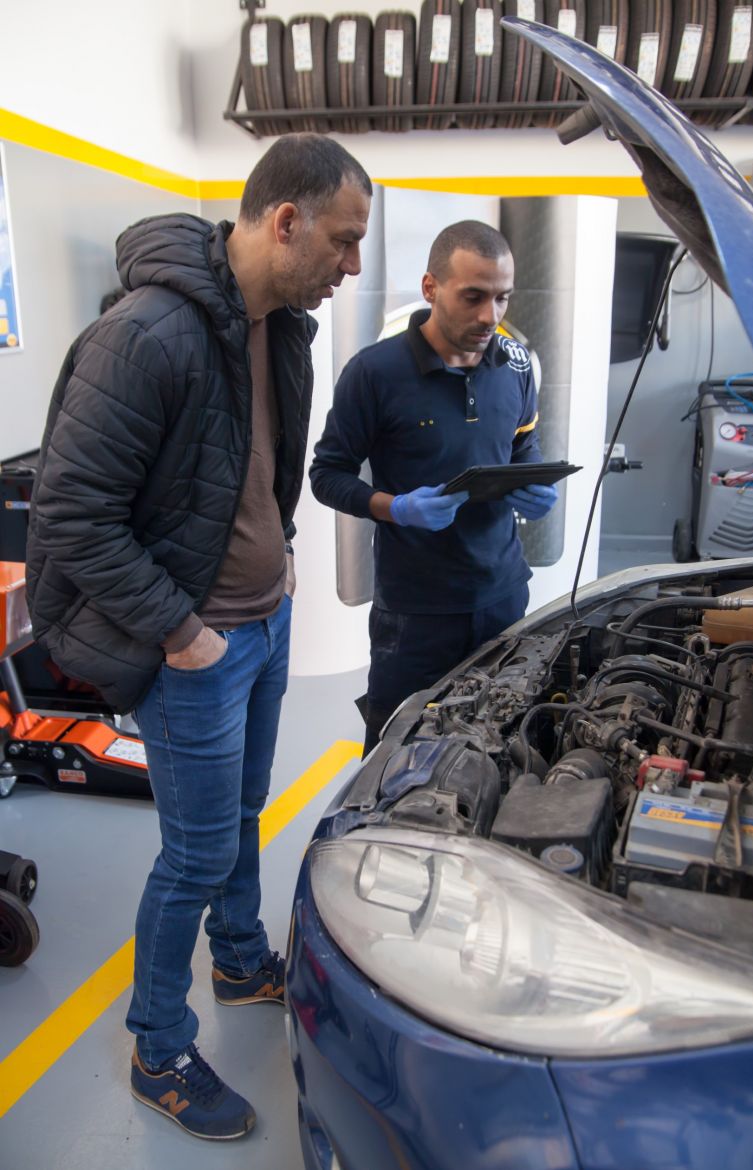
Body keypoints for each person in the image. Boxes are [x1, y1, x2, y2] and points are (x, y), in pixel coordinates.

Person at [25, 134, 372, 1141]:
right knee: (193, 851)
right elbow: (71, 516)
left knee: (248, 810)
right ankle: (159, 1047)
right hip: (198, 650)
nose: (351, 266)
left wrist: (283, 557)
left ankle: (235, 957)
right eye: (343, 242)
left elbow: (254, 468)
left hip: (263, 621)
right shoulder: (148, 335)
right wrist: (180, 633)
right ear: (283, 221)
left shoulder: (278, 328)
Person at [309, 220, 557, 757]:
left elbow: (522, 448)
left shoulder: (515, 365)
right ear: (431, 288)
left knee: (501, 745)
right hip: (415, 612)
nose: (490, 316)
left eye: (502, 298)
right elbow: (326, 475)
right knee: (394, 753)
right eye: (473, 297)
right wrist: (393, 507)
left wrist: (531, 483)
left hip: (503, 596)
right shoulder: (373, 373)